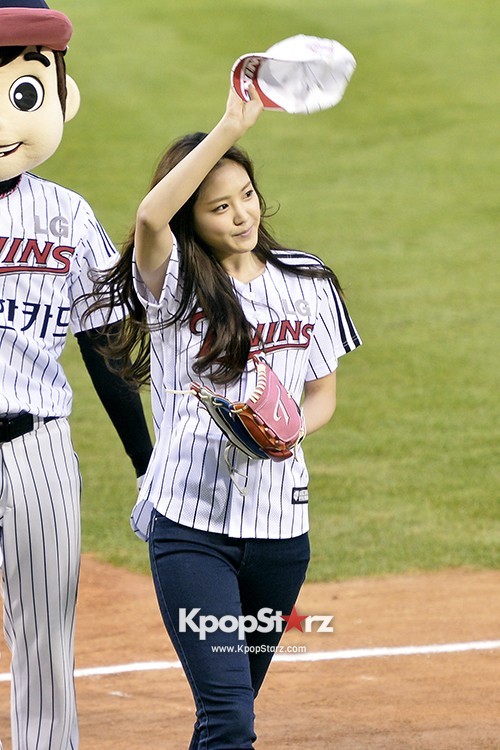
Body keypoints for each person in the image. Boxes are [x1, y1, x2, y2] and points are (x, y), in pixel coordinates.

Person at [89, 83, 361, 748]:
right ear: (195, 218)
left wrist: (289, 427)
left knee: (226, 715)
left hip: (280, 533)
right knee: (232, 715)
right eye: (217, 206)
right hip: (190, 528)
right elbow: (152, 219)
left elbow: (324, 392)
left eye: (245, 196)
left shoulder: (308, 280)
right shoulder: (176, 282)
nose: (240, 214)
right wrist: (229, 128)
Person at [0, 2, 153, 748]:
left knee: (45, 633)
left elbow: (104, 345)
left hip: (38, 448)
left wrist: (147, 461)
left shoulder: (64, 217)